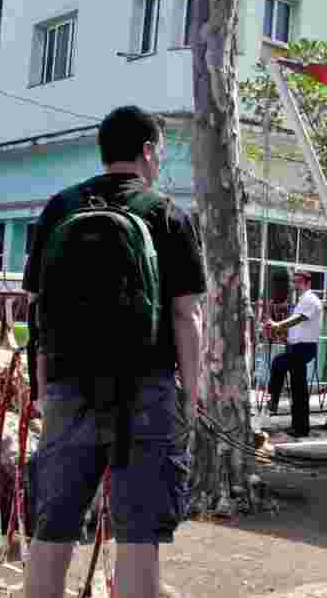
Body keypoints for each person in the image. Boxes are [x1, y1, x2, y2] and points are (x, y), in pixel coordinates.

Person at [23, 105, 205, 598]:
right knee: (138, 538)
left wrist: (43, 389)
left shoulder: (60, 207)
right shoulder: (167, 213)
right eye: (159, 152)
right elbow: (186, 315)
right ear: (148, 150)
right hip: (144, 389)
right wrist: (192, 393)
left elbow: (37, 311)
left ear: (103, 151)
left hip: (66, 385)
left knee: (52, 527)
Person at [263, 270, 323, 438]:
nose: (295, 285)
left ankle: (273, 399)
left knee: (278, 363)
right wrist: (281, 333)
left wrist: (277, 325)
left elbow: (298, 320)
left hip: (303, 348)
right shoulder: (301, 301)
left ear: (307, 283)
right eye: (294, 282)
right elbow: (297, 327)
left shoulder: (310, 300)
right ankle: (300, 428)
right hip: (296, 347)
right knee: (299, 391)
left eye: (298, 282)